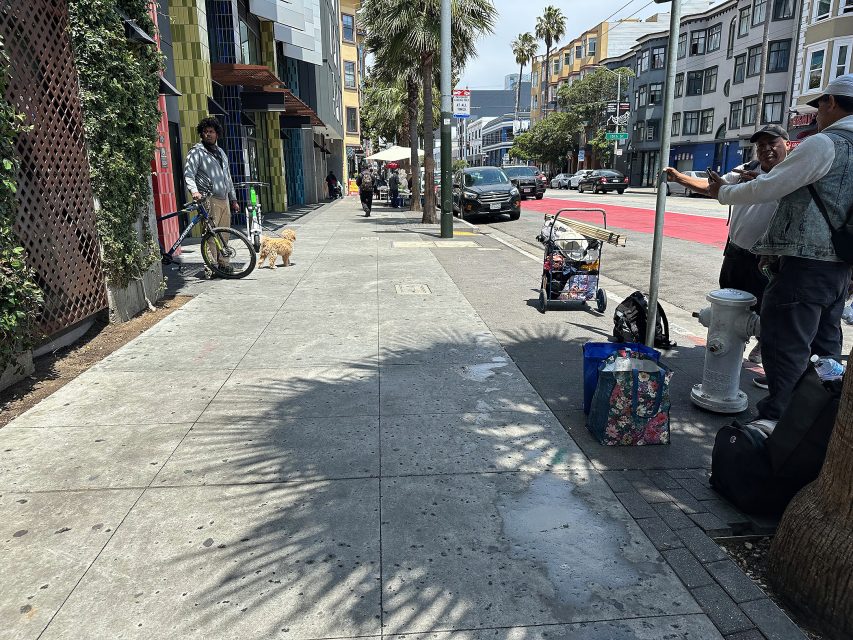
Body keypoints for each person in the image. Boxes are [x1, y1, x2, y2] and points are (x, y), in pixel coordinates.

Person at [706, 74, 853, 426]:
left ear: (831, 103)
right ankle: (822, 422)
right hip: (839, 270)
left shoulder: (824, 144)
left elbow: (771, 185)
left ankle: (775, 430)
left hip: (804, 266)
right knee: (826, 351)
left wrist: (722, 193)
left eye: (819, 107)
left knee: (785, 349)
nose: (817, 114)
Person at [665, 124, 790, 365]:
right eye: (761, 145)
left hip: (769, 256)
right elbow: (714, 188)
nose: (766, 149)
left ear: (786, 144)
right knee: (730, 302)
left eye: (772, 143)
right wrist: (679, 177)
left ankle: (764, 345)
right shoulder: (746, 169)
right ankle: (730, 346)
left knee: (767, 305)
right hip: (736, 250)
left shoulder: (790, 174)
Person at [184, 116, 240, 273]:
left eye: (211, 131)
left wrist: (233, 199)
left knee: (224, 233)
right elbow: (189, 174)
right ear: (201, 134)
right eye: (205, 132)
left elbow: (227, 177)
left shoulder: (221, 152)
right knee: (210, 235)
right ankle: (211, 267)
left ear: (217, 134)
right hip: (208, 198)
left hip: (224, 199)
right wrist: (194, 191)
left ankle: (224, 263)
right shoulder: (196, 152)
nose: (208, 134)